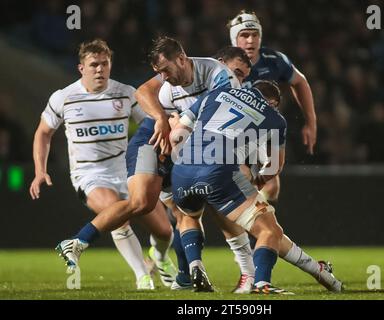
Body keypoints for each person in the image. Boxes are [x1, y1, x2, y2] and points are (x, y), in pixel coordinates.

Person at [54, 37, 244, 292]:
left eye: (166, 70)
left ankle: (186, 277)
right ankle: (78, 241)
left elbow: (217, 115)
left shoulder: (217, 75)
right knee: (141, 202)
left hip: (181, 143)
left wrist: (180, 124)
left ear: (182, 58)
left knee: (183, 213)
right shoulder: (168, 83)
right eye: (159, 72)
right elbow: (142, 91)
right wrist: (161, 119)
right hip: (150, 140)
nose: (164, 77)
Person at [169, 81, 342, 294]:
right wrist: (258, 180)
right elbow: (275, 166)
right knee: (269, 230)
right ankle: (261, 284)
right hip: (219, 172)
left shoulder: (217, 93)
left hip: (181, 170)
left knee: (189, 217)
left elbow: (176, 136)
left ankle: (195, 266)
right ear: (274, 104)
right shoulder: (275, 118)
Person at [30, 39, 173, 290]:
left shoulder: (126, 93)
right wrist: (40, 171)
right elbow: (43, 133)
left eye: (104, 64)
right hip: (90, 174)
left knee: (164, 231)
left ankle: (159, 259)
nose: (99, 69)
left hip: (127, 171)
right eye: (93, 64)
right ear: (81, 68)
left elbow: (150, 124)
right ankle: (143, 276)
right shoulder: (64, 97)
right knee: (119, 216)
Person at [227, 10, 318, 203]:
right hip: (231, 134)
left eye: (255, 35)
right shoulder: (222, 65)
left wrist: (311, 122)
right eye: (244, 35)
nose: (250, 40)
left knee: (271, 187)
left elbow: (300, 82)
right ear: (234, 38)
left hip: (265, 133)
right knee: (247, 183)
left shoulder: (274, 60)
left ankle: (254, 223)